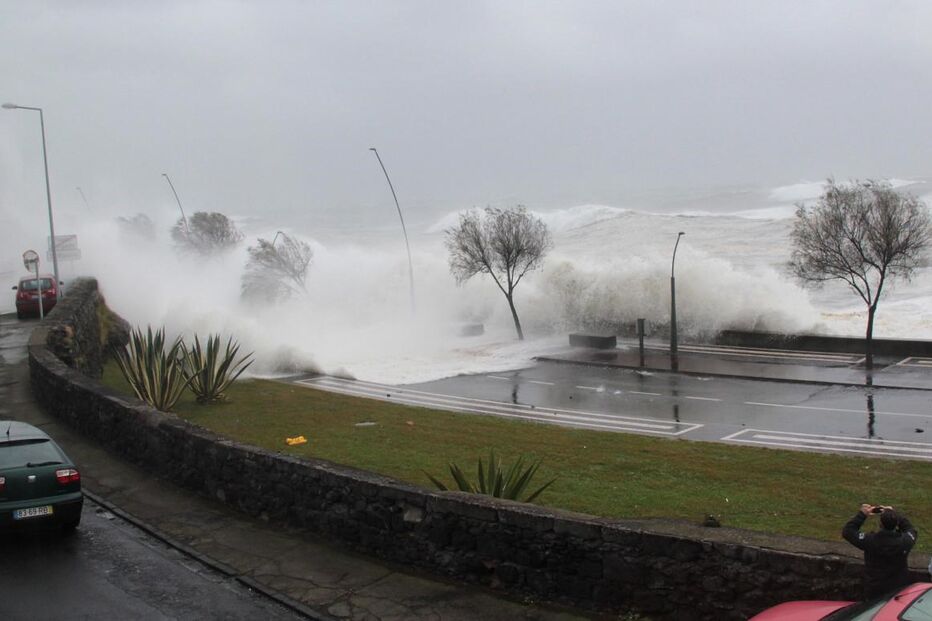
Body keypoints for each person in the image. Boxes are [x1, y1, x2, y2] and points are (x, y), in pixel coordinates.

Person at [842, 504, 918, 598]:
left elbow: (848, 532)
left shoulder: (870, 541)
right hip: (898, 590)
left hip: (875, 589)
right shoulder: (905, 542)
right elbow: (911, 530)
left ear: (880, 524)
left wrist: (862, 514)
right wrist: (895, 515)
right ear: (896, 524)